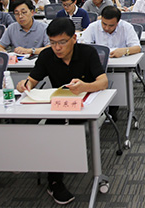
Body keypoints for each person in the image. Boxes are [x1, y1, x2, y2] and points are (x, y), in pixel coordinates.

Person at [16, 18, 108, 205]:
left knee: (57, 130)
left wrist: (85, 86)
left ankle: (62, 172)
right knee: (55, 129)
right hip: (59, 108)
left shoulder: (88, 53)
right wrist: (25, 84)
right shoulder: (46, 55)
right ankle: (54, 180)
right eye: (52, 42)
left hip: (87, 107)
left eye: (62, 42)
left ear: (74, 38)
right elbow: (32, 79)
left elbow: (103, 82)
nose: (57, 48)